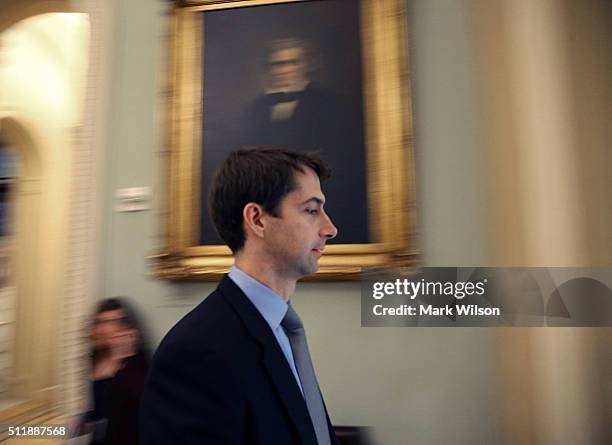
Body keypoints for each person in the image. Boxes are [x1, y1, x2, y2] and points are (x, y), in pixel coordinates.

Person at [140, 148, 340, 445]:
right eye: (311, 210)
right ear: (257, 219)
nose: (330, 229)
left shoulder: (283, 329)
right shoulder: (194, 353)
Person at [83, 298, 149, 445]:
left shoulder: (137, 363)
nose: (103, 329)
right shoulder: (95, 358)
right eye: (100, 322)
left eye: (112, 322)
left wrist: (122, 359)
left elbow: (134, 407)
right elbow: (97, 407)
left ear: (127, 326)